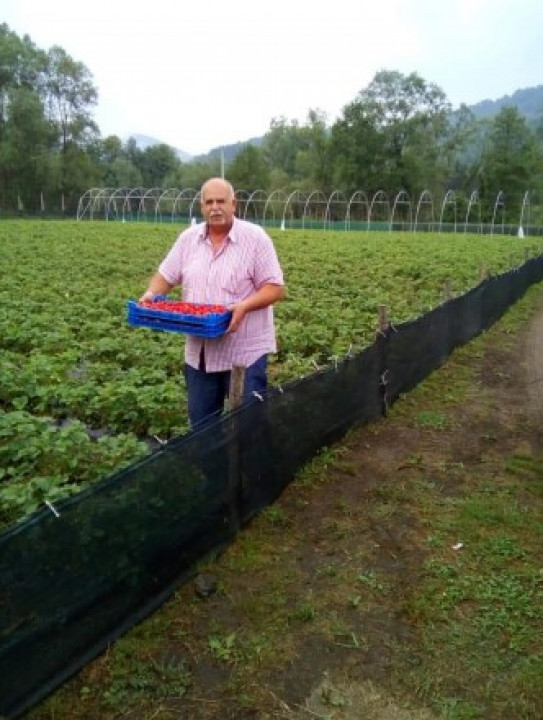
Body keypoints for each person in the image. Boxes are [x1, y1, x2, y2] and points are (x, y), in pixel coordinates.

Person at [140, 177, 285, 429]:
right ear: (202, 207)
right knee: (202, 427)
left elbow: (275, 288)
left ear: (233, 204)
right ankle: (212, 457)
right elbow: (166, 275)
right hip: (200, 355)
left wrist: (244, 306)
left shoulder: (255, 238)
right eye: (209, 202)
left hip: (244, 354)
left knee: (249, 425)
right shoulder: (188, 239)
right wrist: (151, 295)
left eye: (221, 201)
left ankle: (250, 456)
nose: (215, 208)